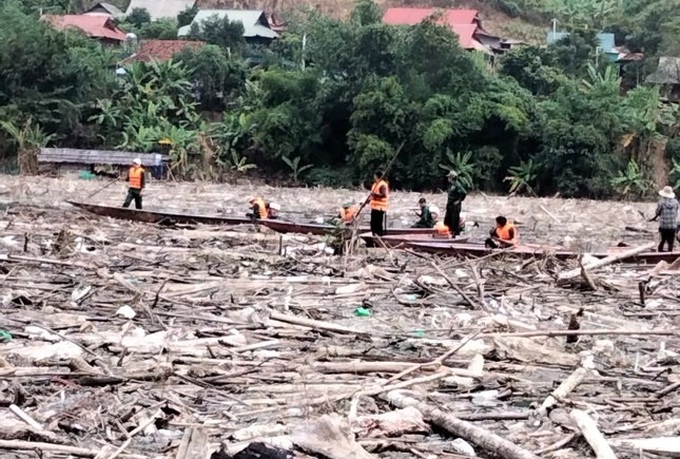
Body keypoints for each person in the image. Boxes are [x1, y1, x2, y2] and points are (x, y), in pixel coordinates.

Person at [650, 186, 678, 252]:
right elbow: (675, 212)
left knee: (662, 240)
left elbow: (657, 213)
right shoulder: (676, 202)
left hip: (663, 226)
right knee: (671, 242)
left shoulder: (661, 202)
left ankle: (660, 252)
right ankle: (670, 254)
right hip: (673, 226)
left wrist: (653, 218)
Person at [444, 171, 467, 236]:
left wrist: (459, 201)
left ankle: (455, 234)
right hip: (450, 205)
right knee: (448, 219)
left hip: (455, 206)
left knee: (455, 220)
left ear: (452, 177)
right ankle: (448, 231)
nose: (448, 179)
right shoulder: (451, 185)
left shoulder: (458, 185)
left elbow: (464, 193)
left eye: (449, 177)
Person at [369, 170, 389, 236]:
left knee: (378, 223)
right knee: (373, 223)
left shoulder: (382, 185)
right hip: (375, 206)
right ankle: (374, 235)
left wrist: (375, 194)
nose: (373, 177)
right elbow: (372, 195)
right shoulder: (375, 184)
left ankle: (379, 235)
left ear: (376, 176)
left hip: (380, 207)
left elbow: (384, 195)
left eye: (374, 175)